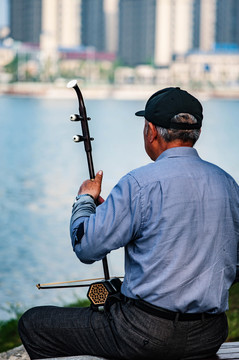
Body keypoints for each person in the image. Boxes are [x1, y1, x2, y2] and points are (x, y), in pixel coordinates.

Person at [18, 87, 239, 360]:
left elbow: (86, 247)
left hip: (146, 334)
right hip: (210, 334)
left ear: (151, 131)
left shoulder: (139, 184)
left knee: (34, 323)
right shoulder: (228, 184)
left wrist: (85, 200)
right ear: (196, 132)